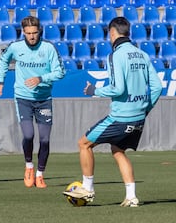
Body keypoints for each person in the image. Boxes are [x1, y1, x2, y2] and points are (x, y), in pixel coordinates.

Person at [63, 17, 163, 207]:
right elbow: (157, 87)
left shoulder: (115, 55)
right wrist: (145, 108)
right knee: (118, 151)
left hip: (120, 117)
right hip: (139, 117)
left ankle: (87, 189)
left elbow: (117, 89)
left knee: (84, 143)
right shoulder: (142, 54)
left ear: (112, 33)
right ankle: (132, 196)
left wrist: (95, 91)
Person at [0, 16, 66, 188]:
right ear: (23, 32)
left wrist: (41, 78)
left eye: (34, 33)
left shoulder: (49, 48)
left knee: (45, 140)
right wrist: (1, 81)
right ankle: (29, 167)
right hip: (23, 97)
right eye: (28, 33)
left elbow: (61, 72)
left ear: (39, 31)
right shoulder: (16, 47)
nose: (32, 36)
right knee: (28, 135)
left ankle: (40, 174)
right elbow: (4, 60)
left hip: (44, 99)